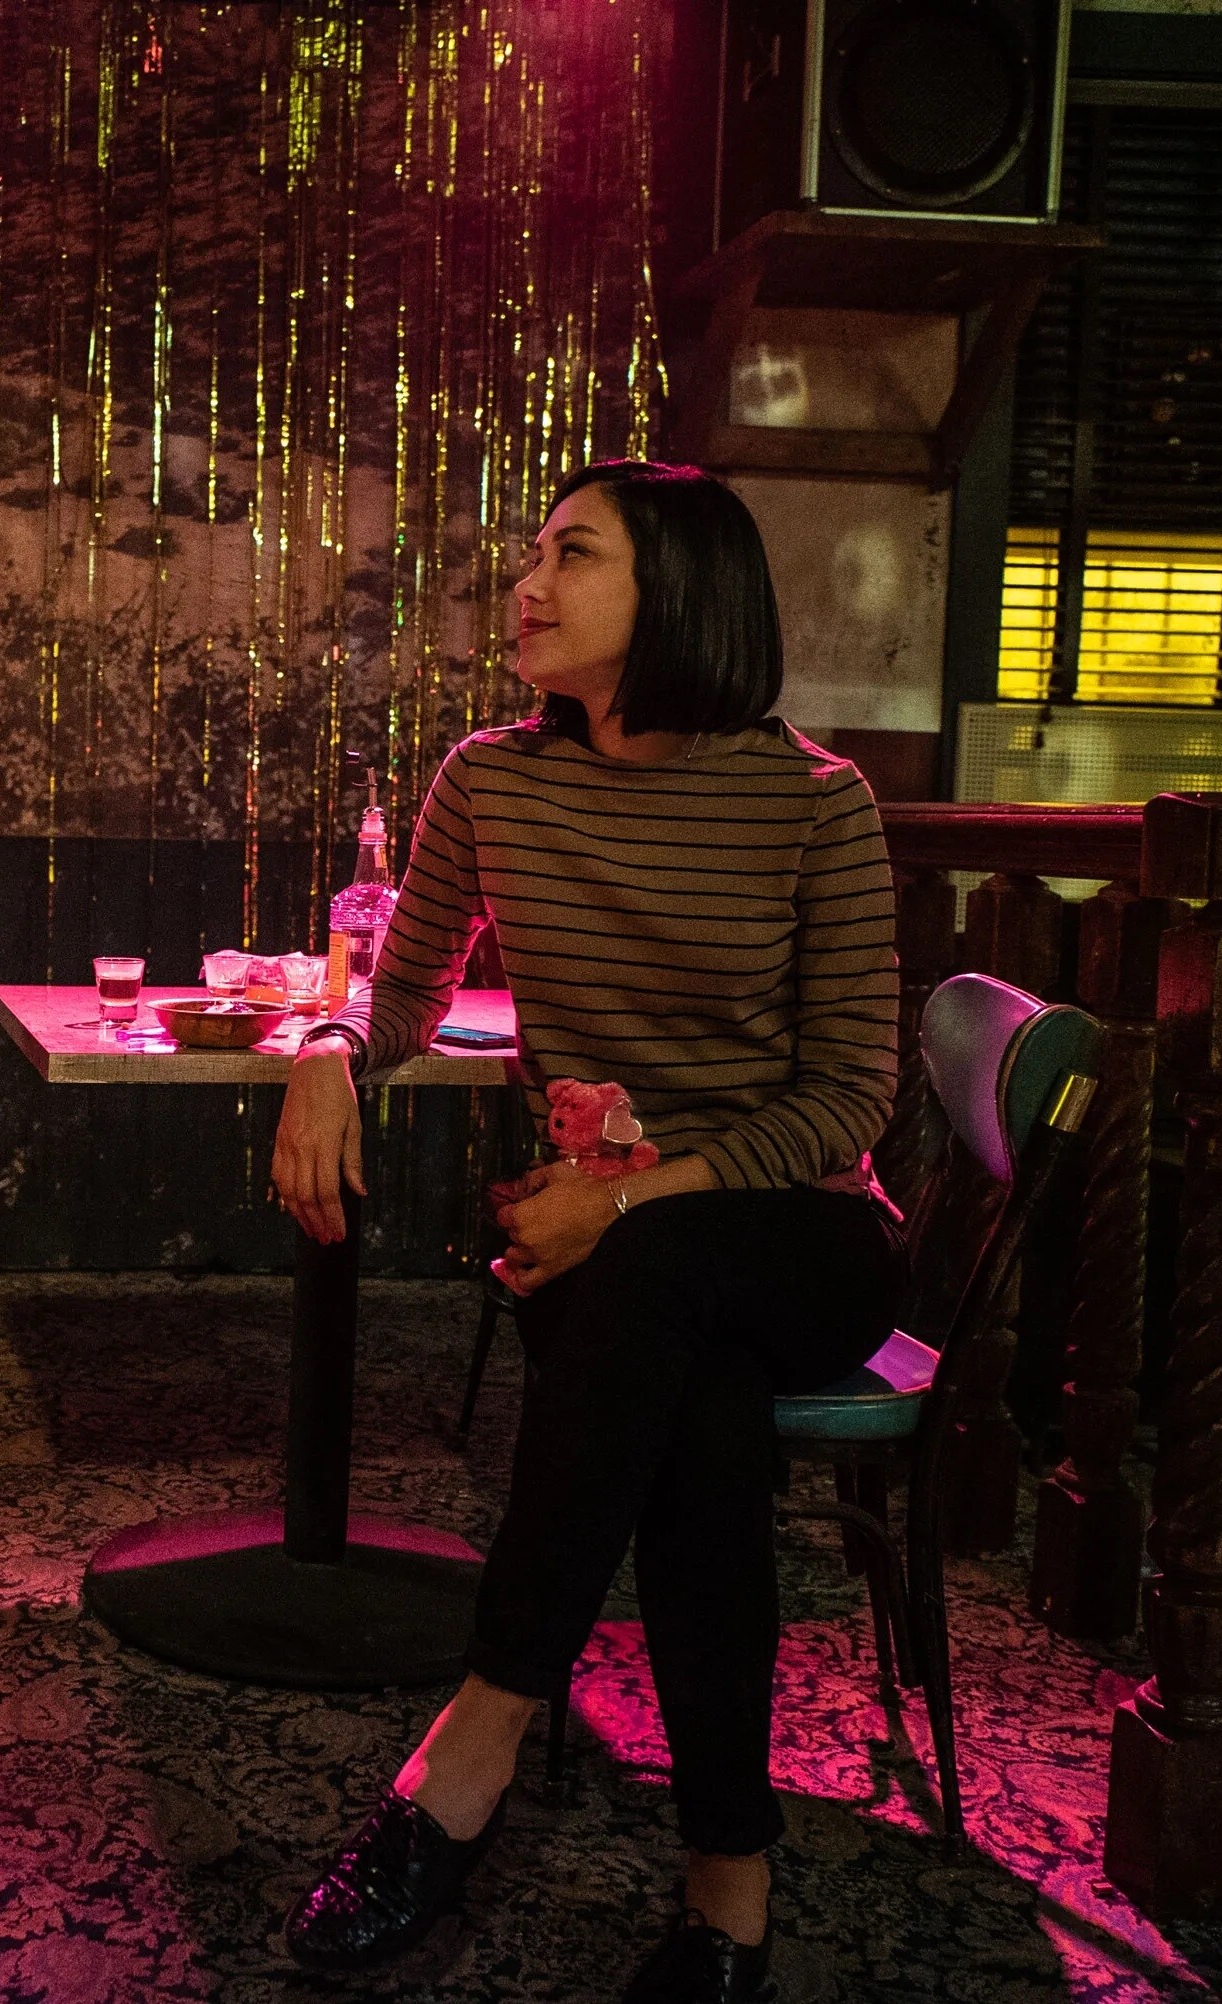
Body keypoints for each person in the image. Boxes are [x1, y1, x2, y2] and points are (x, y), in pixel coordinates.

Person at [272, 461, 902, 2002]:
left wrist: (623, 1195)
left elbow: (851, 1100)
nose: (528, 584)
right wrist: (327, 1051)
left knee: (656, 1275)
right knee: (703, 1436)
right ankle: (730, 1890)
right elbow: (405, 992)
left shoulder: (816, 802)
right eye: (533, 553)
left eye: (575, 554)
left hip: (798, 1238)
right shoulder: (493, 781)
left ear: (678, 591)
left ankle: (473, 1745)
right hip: (613, 1263)